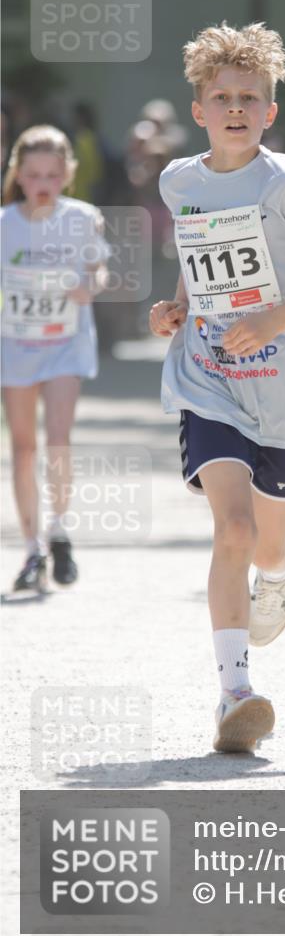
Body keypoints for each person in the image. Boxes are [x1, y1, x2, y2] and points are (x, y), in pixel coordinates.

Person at [149, 22, 285, 753]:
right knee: (234, 530)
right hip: (210, 377)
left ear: (270, 111)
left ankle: (280, 570)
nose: (236, 108)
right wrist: (177, 304)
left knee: (268, 547)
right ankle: (235, 693)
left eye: (250, 98)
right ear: (199, 110)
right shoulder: (179, 182)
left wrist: (275, 318)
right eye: (222, 98)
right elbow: (199, 252)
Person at [1, 125, 111, 591]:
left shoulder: (82, 218)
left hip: (65, 342)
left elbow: (99, 270)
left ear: (67, 174)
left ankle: (59, 529)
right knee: (23, 447)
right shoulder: (5, 224)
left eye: (52, 174)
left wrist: (90, 287)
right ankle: (32, 549)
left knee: (58, 440)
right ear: (18, 175)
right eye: (33, 175)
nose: (42, 183)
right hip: (16, 346)